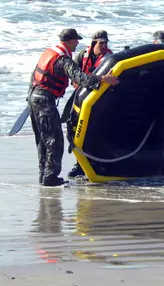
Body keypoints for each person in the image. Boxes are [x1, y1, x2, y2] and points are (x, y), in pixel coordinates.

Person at [28, 28, 119, 186]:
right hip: (44, 101)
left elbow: (34, 76)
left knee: (43, 141)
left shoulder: (49, 52)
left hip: (33, 97)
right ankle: (50, 178)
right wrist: (103, 78)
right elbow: (80, 77)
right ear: (69, 41)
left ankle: (44, 175)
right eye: (76, 40)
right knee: (54, 142)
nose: (78, 43)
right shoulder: (64, 59)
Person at [67, 30, 114, 178]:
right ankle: (79, 164)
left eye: (105, 43)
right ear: (93, 43)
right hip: (80, 97)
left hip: (98, 100)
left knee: (95, 132)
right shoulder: (82, 55)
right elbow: (72, 72)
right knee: (75, 130)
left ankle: (96, 164)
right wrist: (75, 81)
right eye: (100, 43)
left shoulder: (110, 58)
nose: (103, 46)